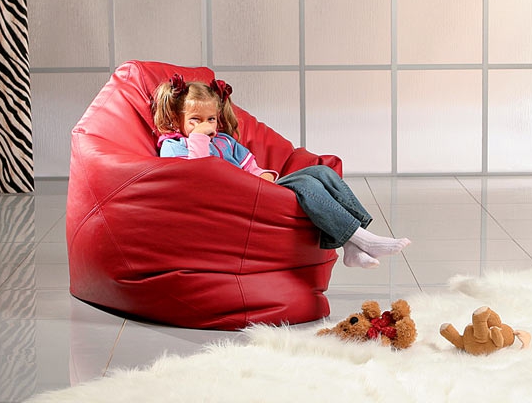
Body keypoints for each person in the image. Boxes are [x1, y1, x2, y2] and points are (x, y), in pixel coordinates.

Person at [152, 74, 411, 269]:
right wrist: (197, 138)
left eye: (210, 119)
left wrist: (263, 176)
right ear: (176, 120)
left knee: (320, 172)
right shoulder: (174, 146)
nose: (206, 126)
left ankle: (352, 244)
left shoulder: (225, 141)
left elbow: (251, 167)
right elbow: (197, 175)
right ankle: (362, 240)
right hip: (231, 202)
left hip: (255, 190)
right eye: (195, 120)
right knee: (307, 186)